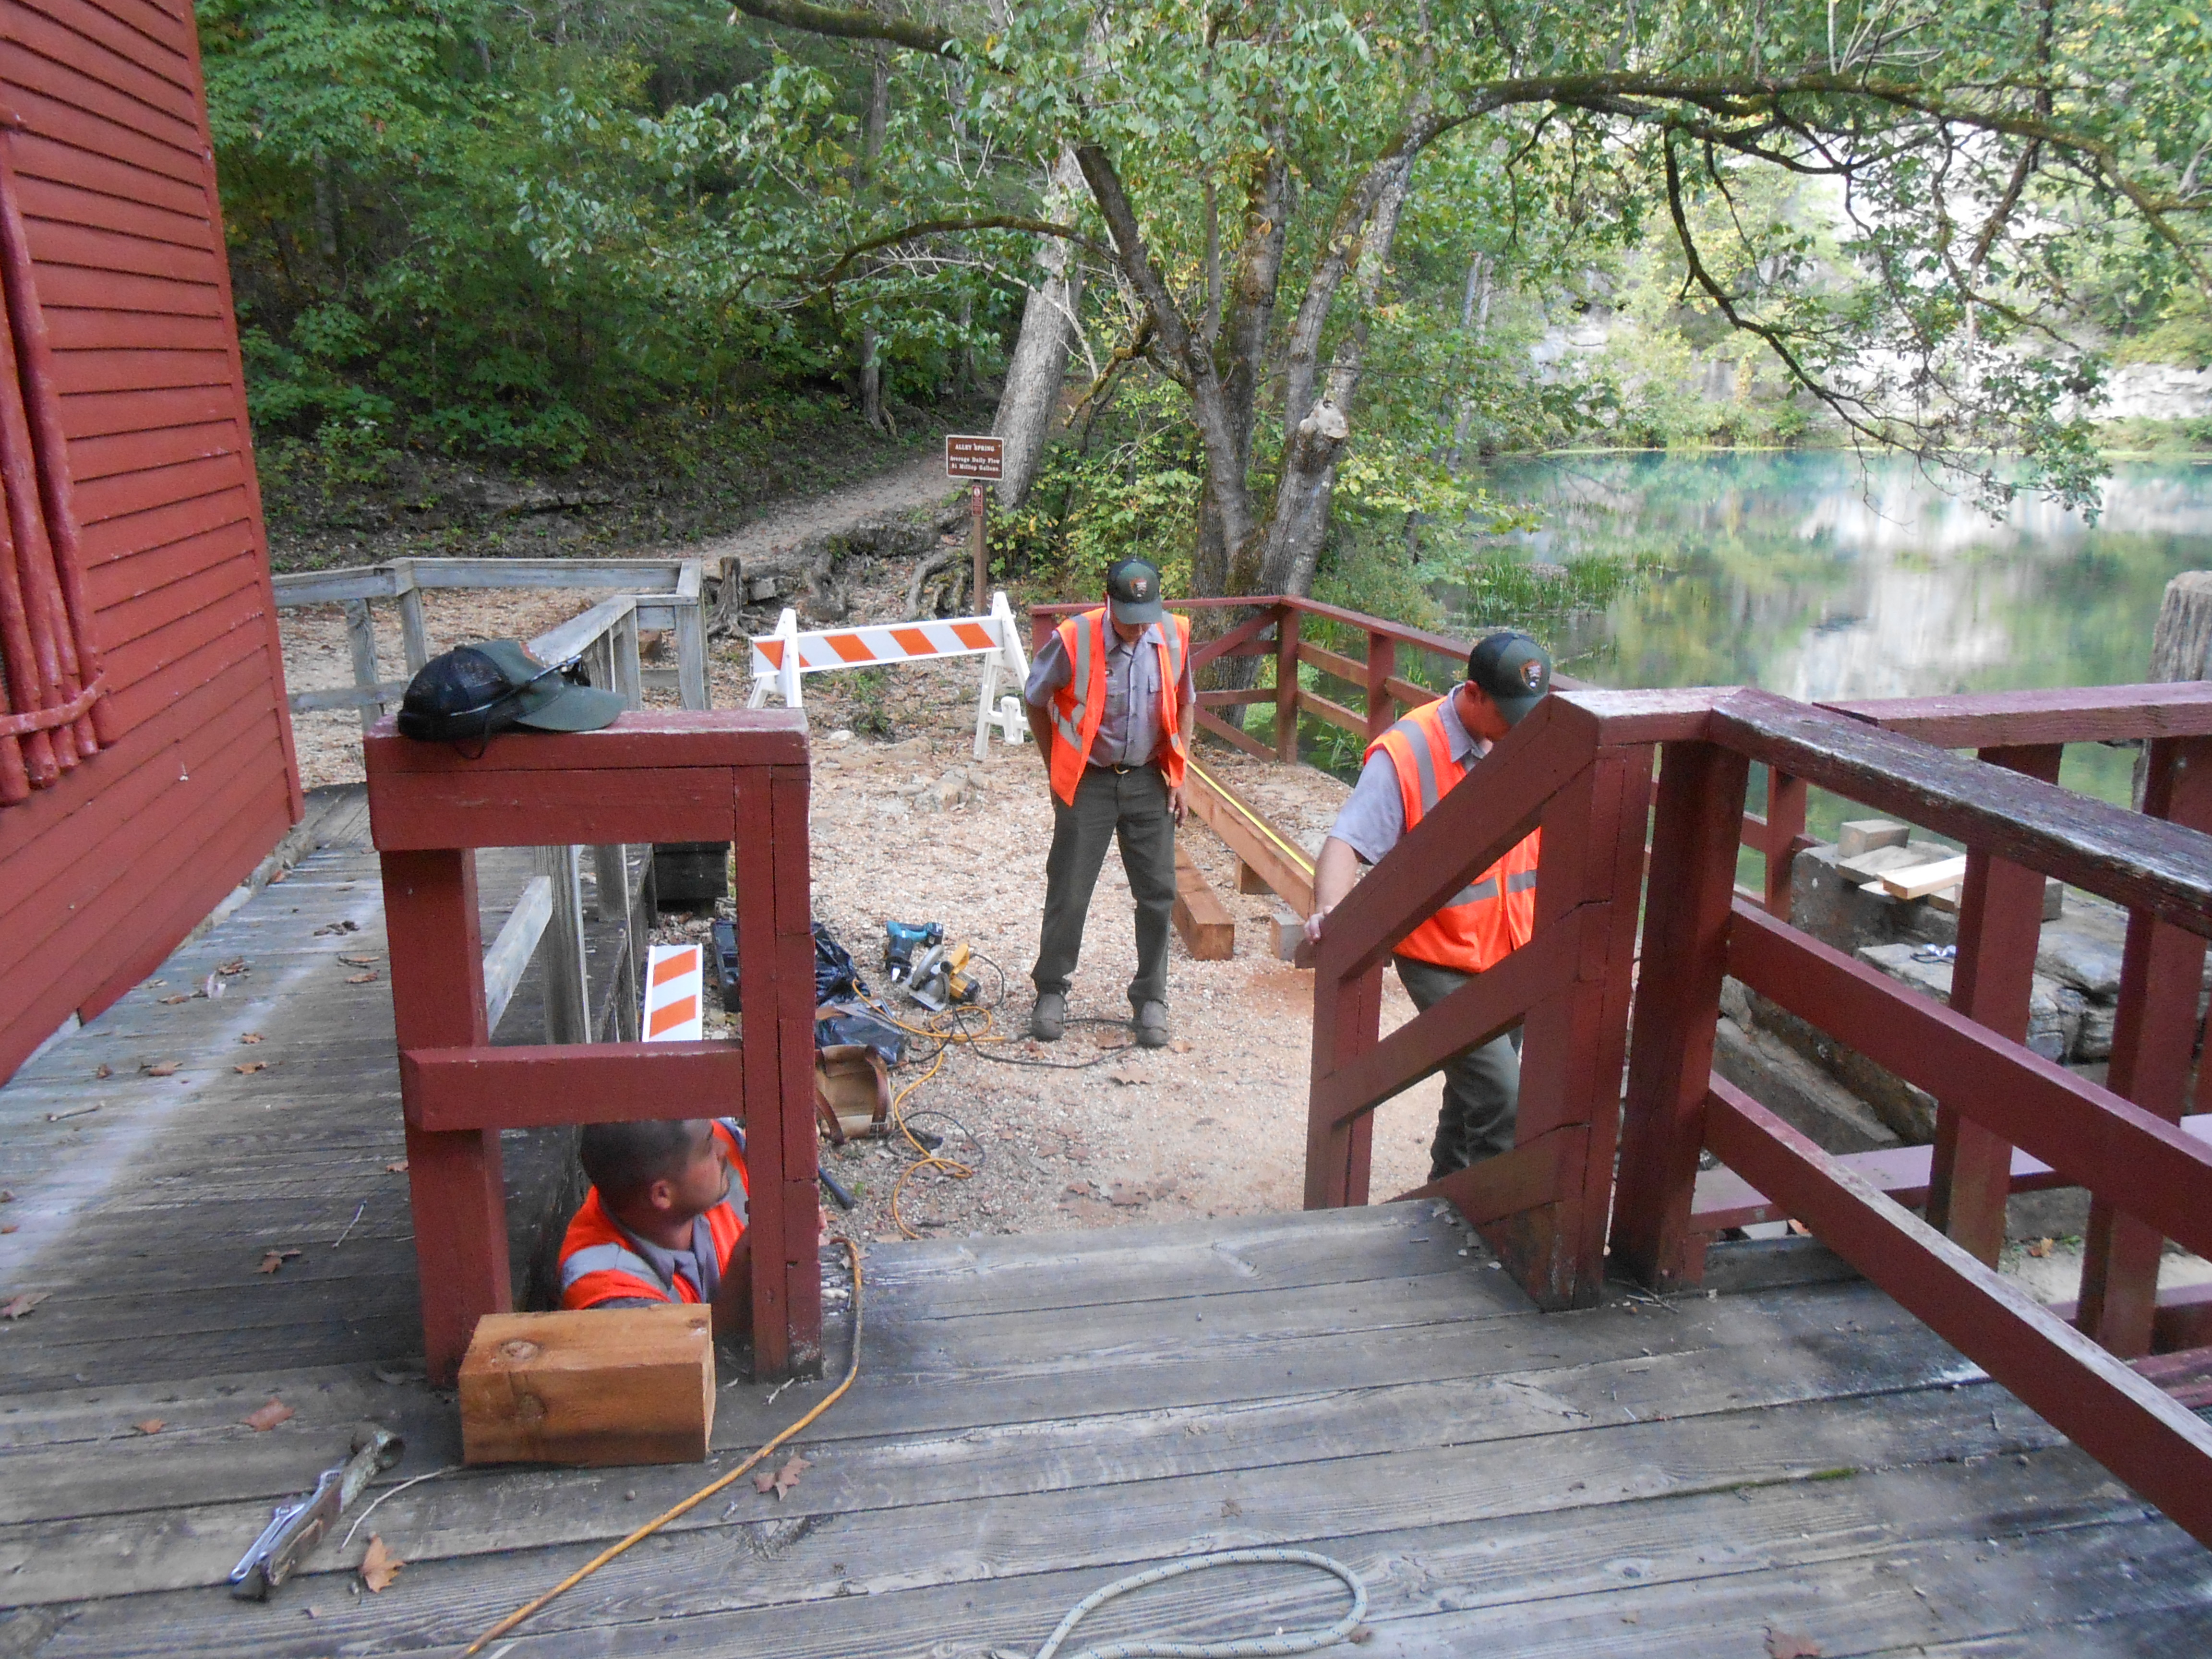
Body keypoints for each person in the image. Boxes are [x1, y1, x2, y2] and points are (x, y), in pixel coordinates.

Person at [1302, 631, 1552, 1180]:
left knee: (1473, 1095)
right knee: (1505, 1098)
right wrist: (1331, 916)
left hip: (1511, 945)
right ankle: (1487, 1230)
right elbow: (1347, 841)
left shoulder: (1526, 736)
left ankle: (1445, 1200)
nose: (1520, 728)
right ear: (1473, 694)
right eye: (1510, 713)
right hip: (1439, 956)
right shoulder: (1409, 750)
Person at [1023, 558, 1196, 1049]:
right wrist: (1056, 767)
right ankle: (1051, 990)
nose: (1139, 628)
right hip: (1090, 782)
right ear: (1108, 603)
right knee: (1070, 890)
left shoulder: (1173, 635)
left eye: (1146, 616)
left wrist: (1181, 775)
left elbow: (1186, 701)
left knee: (1158, 893)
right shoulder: (1075, 638)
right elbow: (1036, 698)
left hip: (1148, 779)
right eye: (1128, 617)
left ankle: (1151, 999)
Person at [558, 1118, 752, 1336]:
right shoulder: (608, 1291)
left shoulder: (687, 1151)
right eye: (709, 1146)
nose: (722, 1148)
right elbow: (675, 1363)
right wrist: (741, 1285)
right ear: (662, 1194)